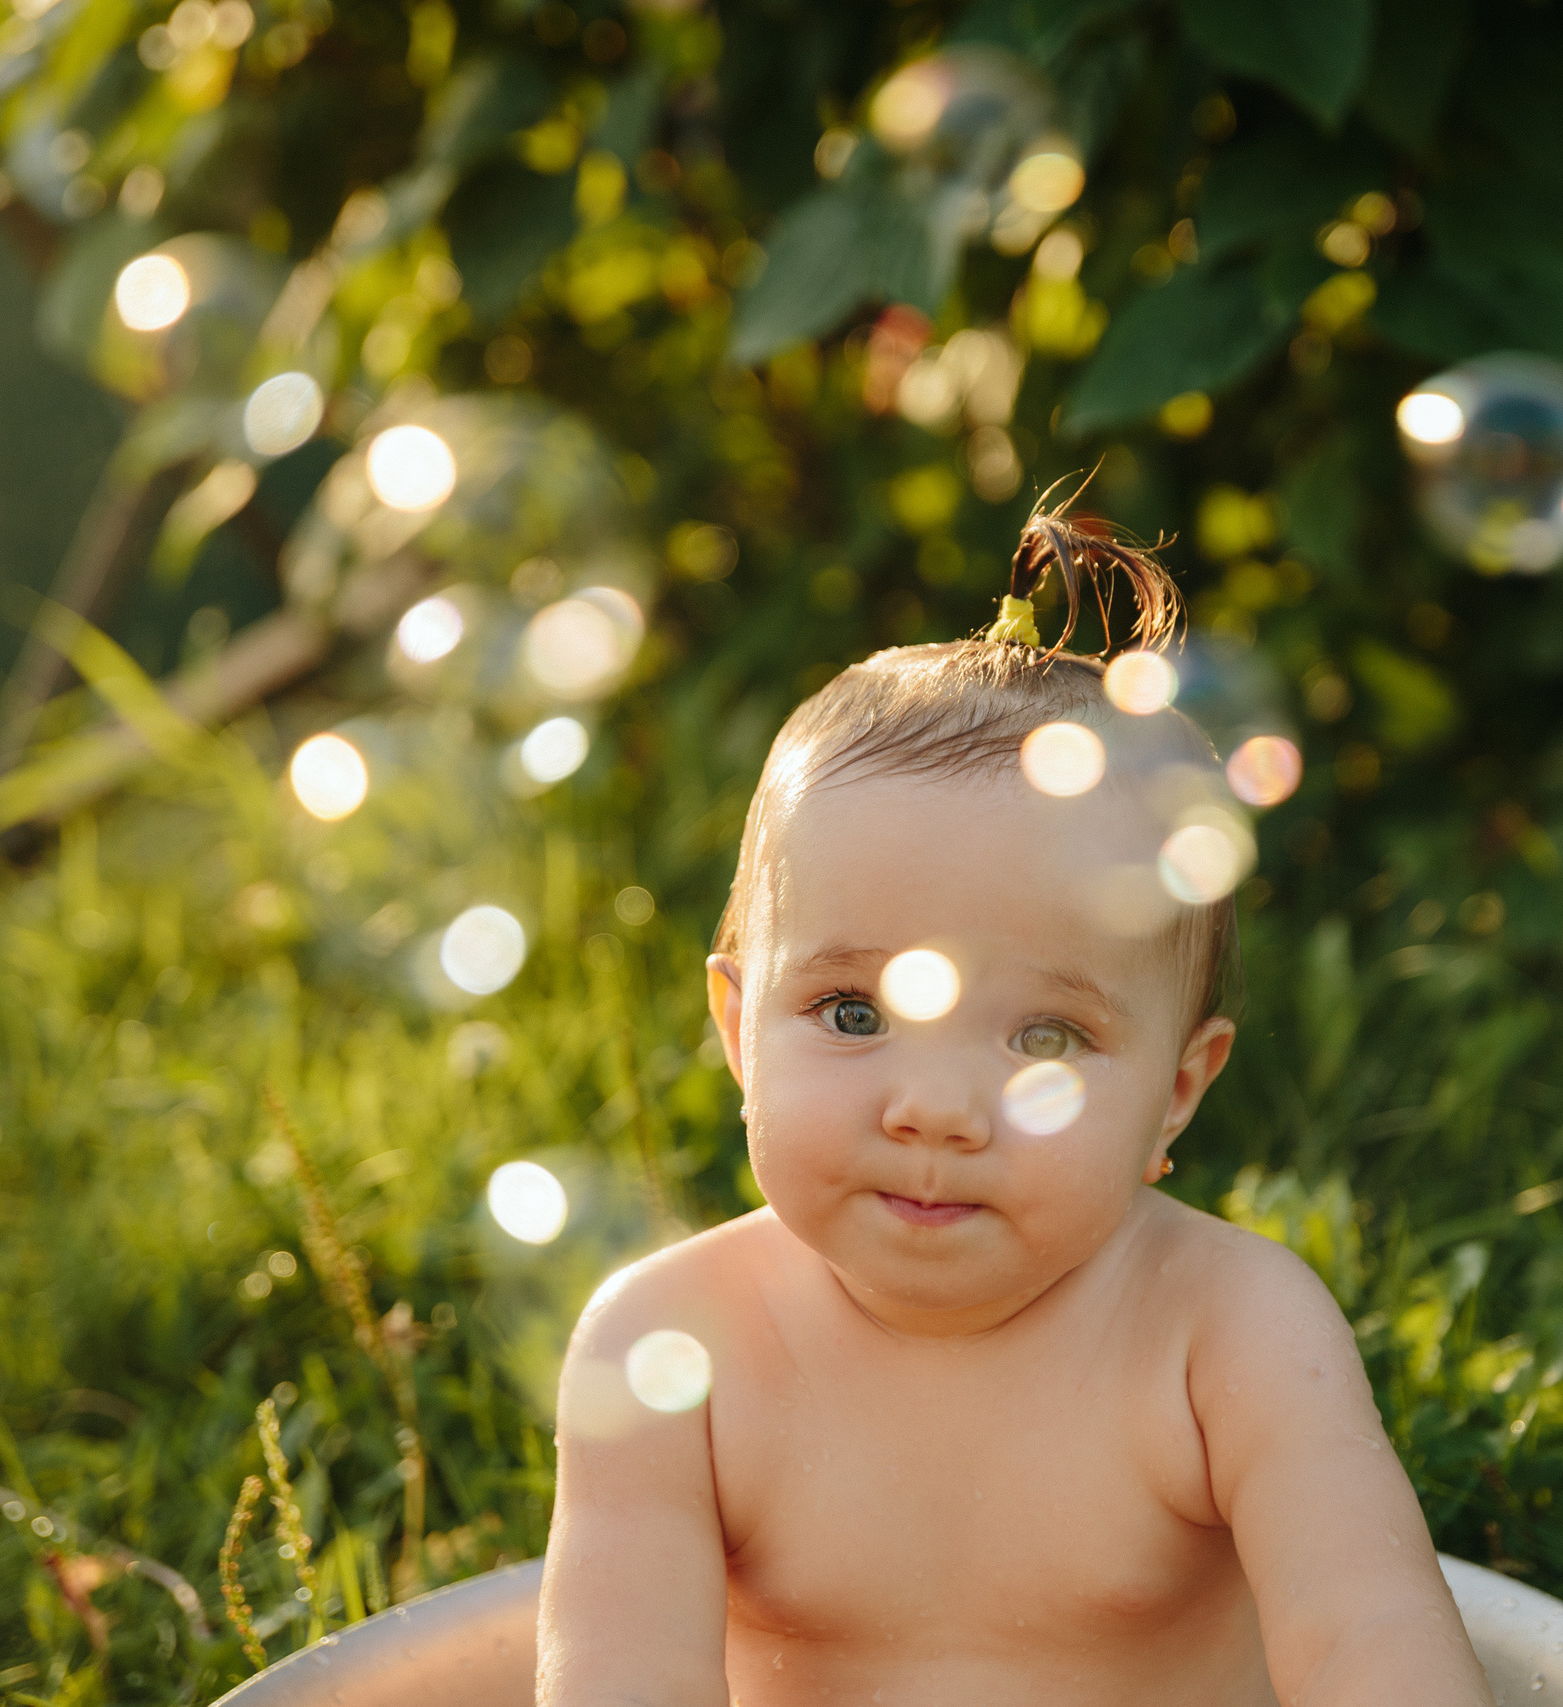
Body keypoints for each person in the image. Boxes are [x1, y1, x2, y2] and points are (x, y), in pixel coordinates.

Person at [537, 489, 1495, 1707]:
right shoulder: (673, 1350)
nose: (935, 1109)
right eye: (853, 1012)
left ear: (1176, 1092)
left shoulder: (1230, 1332)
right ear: (737, 1030)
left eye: (1046, 1036)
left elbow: (1371, 1643)